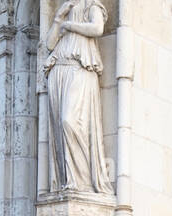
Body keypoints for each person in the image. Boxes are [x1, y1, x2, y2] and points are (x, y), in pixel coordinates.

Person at [45, 0, 113, 195]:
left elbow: (97, 28)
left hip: (80, 68)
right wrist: (58, 18)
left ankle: (83, 182)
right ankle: (68, 181)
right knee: (60, 126)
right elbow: (50, 44)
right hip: (59, 70)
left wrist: (69, 25)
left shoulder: (91, 4)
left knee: (70, 121)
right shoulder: (65, 8)